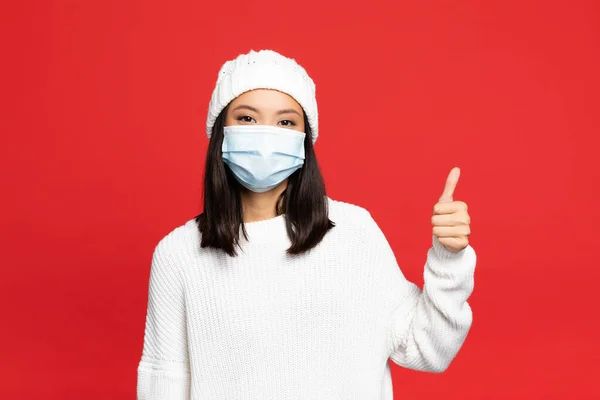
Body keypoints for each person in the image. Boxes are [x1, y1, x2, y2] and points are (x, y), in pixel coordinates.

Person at [136, 49, 476, 400]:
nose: (266, 135)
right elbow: (164, 382)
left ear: (304, 140)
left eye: (285, 122)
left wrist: (449, 259)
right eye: (247, 118)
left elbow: (427, 349)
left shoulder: (354, 233)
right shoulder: (178, 254)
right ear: (220, 130)